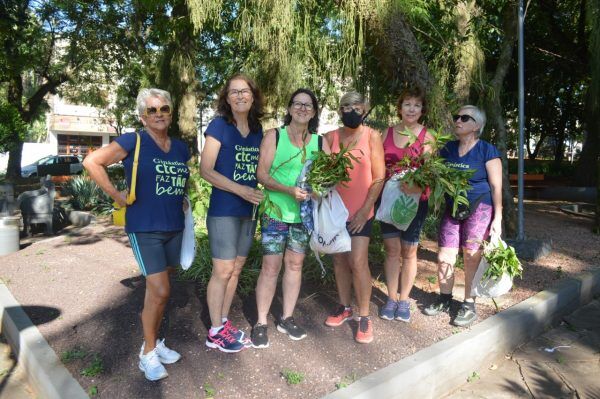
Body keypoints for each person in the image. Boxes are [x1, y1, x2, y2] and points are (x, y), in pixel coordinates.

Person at [83, 88, 189, 381]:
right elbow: (92, 162)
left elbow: (178, 181)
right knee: (161, 290)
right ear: (143, 116)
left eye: (163, 109)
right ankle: (146, 356)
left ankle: (154, 343)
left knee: (158, 293)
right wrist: (117, 194)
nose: (158, 115)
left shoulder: (180, 148)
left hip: (174, 227)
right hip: (145, 228)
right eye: (152, 110)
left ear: (170, 112)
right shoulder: (134, 140)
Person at [251, 88, 329, 348]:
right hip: (275, 212)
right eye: (298, 104)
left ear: (314, 112)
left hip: (303, 217)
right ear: (289, 108)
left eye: (308, 105)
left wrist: (319, 190)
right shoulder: (274, 136)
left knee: (295, 266)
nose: (302, 109)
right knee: (271, 266)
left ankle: (287, 318)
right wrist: (288, 190)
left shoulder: (320, 143)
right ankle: (261, 322)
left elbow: (327, 180)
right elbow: (261, 175)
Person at [200, 74, 264, 353]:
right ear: (227, 98)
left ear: (253, 95)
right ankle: (214, 332)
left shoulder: (258, 129)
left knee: (236, 268)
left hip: (248, 211)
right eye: (234, 92)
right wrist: (241, 190)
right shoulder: (219, 126)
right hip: (224, 210)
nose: (240, 96)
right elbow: (206, 170)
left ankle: (223, 323)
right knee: (223, 269)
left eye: (245, 91)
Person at [424, 105, 502, 327]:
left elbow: (496, 187)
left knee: (471, 255)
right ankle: (445, 298)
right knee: (444, 255)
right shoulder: (447, 149)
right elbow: (433, 172)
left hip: (480, 206)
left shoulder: (487, 150)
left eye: (464, 118)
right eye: (456, 116)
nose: (458, 120)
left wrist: (498, 219)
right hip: (452, 206)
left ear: (477, 125)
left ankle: (469, 303)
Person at [323, 92, 385, 344]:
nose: (350, 110)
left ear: (365, 109)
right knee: (339, 260)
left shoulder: (372, 136)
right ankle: (344, 307)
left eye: (355, 106)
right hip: (335, 211)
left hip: (362, 211)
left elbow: (379, 177)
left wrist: (364, 209)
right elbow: (323, 172)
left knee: (358, 262)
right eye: (345, 106)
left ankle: (364, 316)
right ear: (340, 110)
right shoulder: (330, 137)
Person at [379, 87, 434, 322]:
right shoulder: (386, 133)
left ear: (422, 110)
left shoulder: (427, 136)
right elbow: (378, 166)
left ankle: (404, 300)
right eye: (407, 104)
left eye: (416, 105)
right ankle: (391, 298)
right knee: (392, 250)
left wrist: (417, 186)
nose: (411, 109)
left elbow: (432, 171)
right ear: (400, 108)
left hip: (415, 201)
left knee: (409, 251)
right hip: (389, 199)